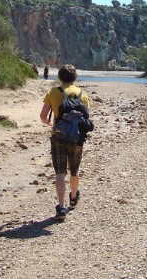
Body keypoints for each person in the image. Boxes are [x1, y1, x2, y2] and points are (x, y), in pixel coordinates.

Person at [39, 64, 90, 220]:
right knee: (74, 170)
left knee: (60, 172)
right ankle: (73, 197)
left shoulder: (53, 93)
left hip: (58, 136)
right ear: (75, 78)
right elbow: (85, 117)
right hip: (77, 138)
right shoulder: (83, 94)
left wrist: (51, 124)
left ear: (60, 77)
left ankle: (61, 208)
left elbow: (43, 115)